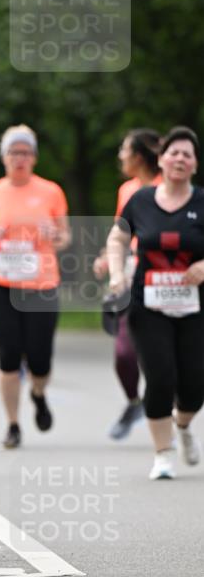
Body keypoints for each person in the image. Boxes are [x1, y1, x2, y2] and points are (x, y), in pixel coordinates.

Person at [107, 126, 204, 479]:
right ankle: (163, 454)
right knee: (160, 378)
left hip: (195, 307)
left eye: (187, 154)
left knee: (194, 386)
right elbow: (118, 238)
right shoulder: (142, 200)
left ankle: (182, 424)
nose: (180, 158)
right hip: (147, 305)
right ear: (161, 159)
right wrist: (117, 274)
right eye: (174, 152)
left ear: (194, 165)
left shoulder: (202, 203)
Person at [0, 125, 70, 449]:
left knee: (40, 358)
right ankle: (13, 424)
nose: (20, 158)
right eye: (13, 152)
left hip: (41, 284)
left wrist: (53, 234)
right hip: (0, 283)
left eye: (25, 152)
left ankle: (38, 392)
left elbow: (65, 237)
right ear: (4, 157)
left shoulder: (51, 192)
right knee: (8, 355)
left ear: (33, 157)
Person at [93, 129, 162, 439]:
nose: (120, 156)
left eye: (124, 150)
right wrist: (107, 258)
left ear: (138, 156)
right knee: (124, 352)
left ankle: (165, 415)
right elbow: (121, 233)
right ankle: (134, 402)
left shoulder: (170, 187)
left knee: (161, 351)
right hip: (130, 275)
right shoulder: (127, 191)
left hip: (165, 277)